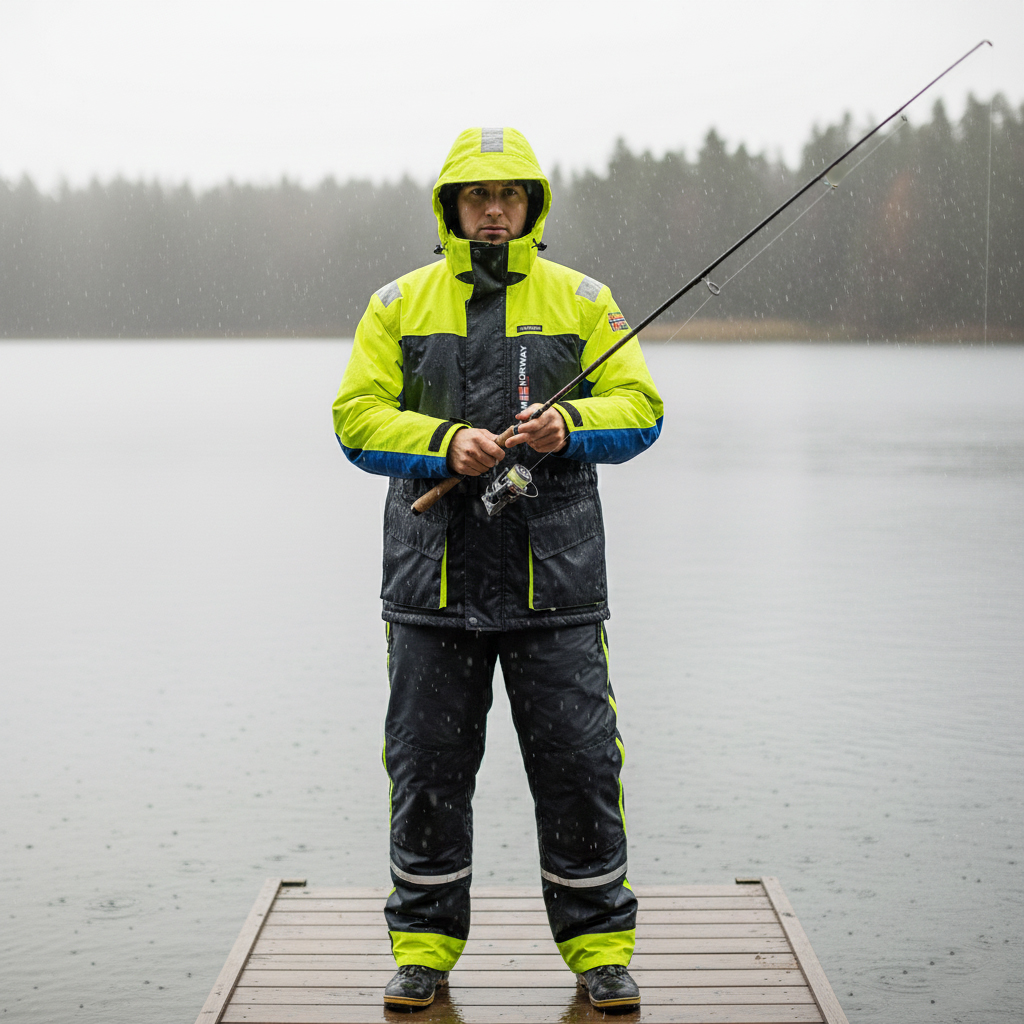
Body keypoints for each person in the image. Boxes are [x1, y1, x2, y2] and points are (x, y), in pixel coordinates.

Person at [332, 127, 662, 1013]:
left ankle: (600, 953)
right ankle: (424, 954)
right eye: (476, 197)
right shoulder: (396, 303)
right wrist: (441, 443)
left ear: (532, 205)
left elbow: (641, 407)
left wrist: (570, 427)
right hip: (431, 594)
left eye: (508, 196)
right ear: (449, 209)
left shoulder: (585, 299)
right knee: (428, 774)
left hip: (554, 591)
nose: (492, 211)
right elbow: (355, 420)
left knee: (582, 769)